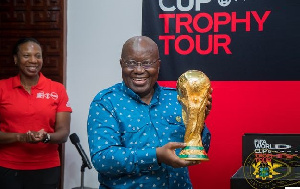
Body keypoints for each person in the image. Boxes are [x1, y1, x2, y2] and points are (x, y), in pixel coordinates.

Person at [87, 36, 212, 189]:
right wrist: (156, 156)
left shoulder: (177, 99)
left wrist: (197, 122)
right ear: (121, 64)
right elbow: (103, 159)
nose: (139, 70)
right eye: (131, 63)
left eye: (146, 63)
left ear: (158, 65)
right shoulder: (106, 102)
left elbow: (201, 149)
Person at [0, 37, 72, 189]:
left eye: (38, 56)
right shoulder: (2, 88)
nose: (33, 60)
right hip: (7, 166)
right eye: (26, 55)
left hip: (47, 167)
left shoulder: (57, 89)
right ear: (15, 59)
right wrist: (20, 137)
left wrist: (46, 137)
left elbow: (64, 133)